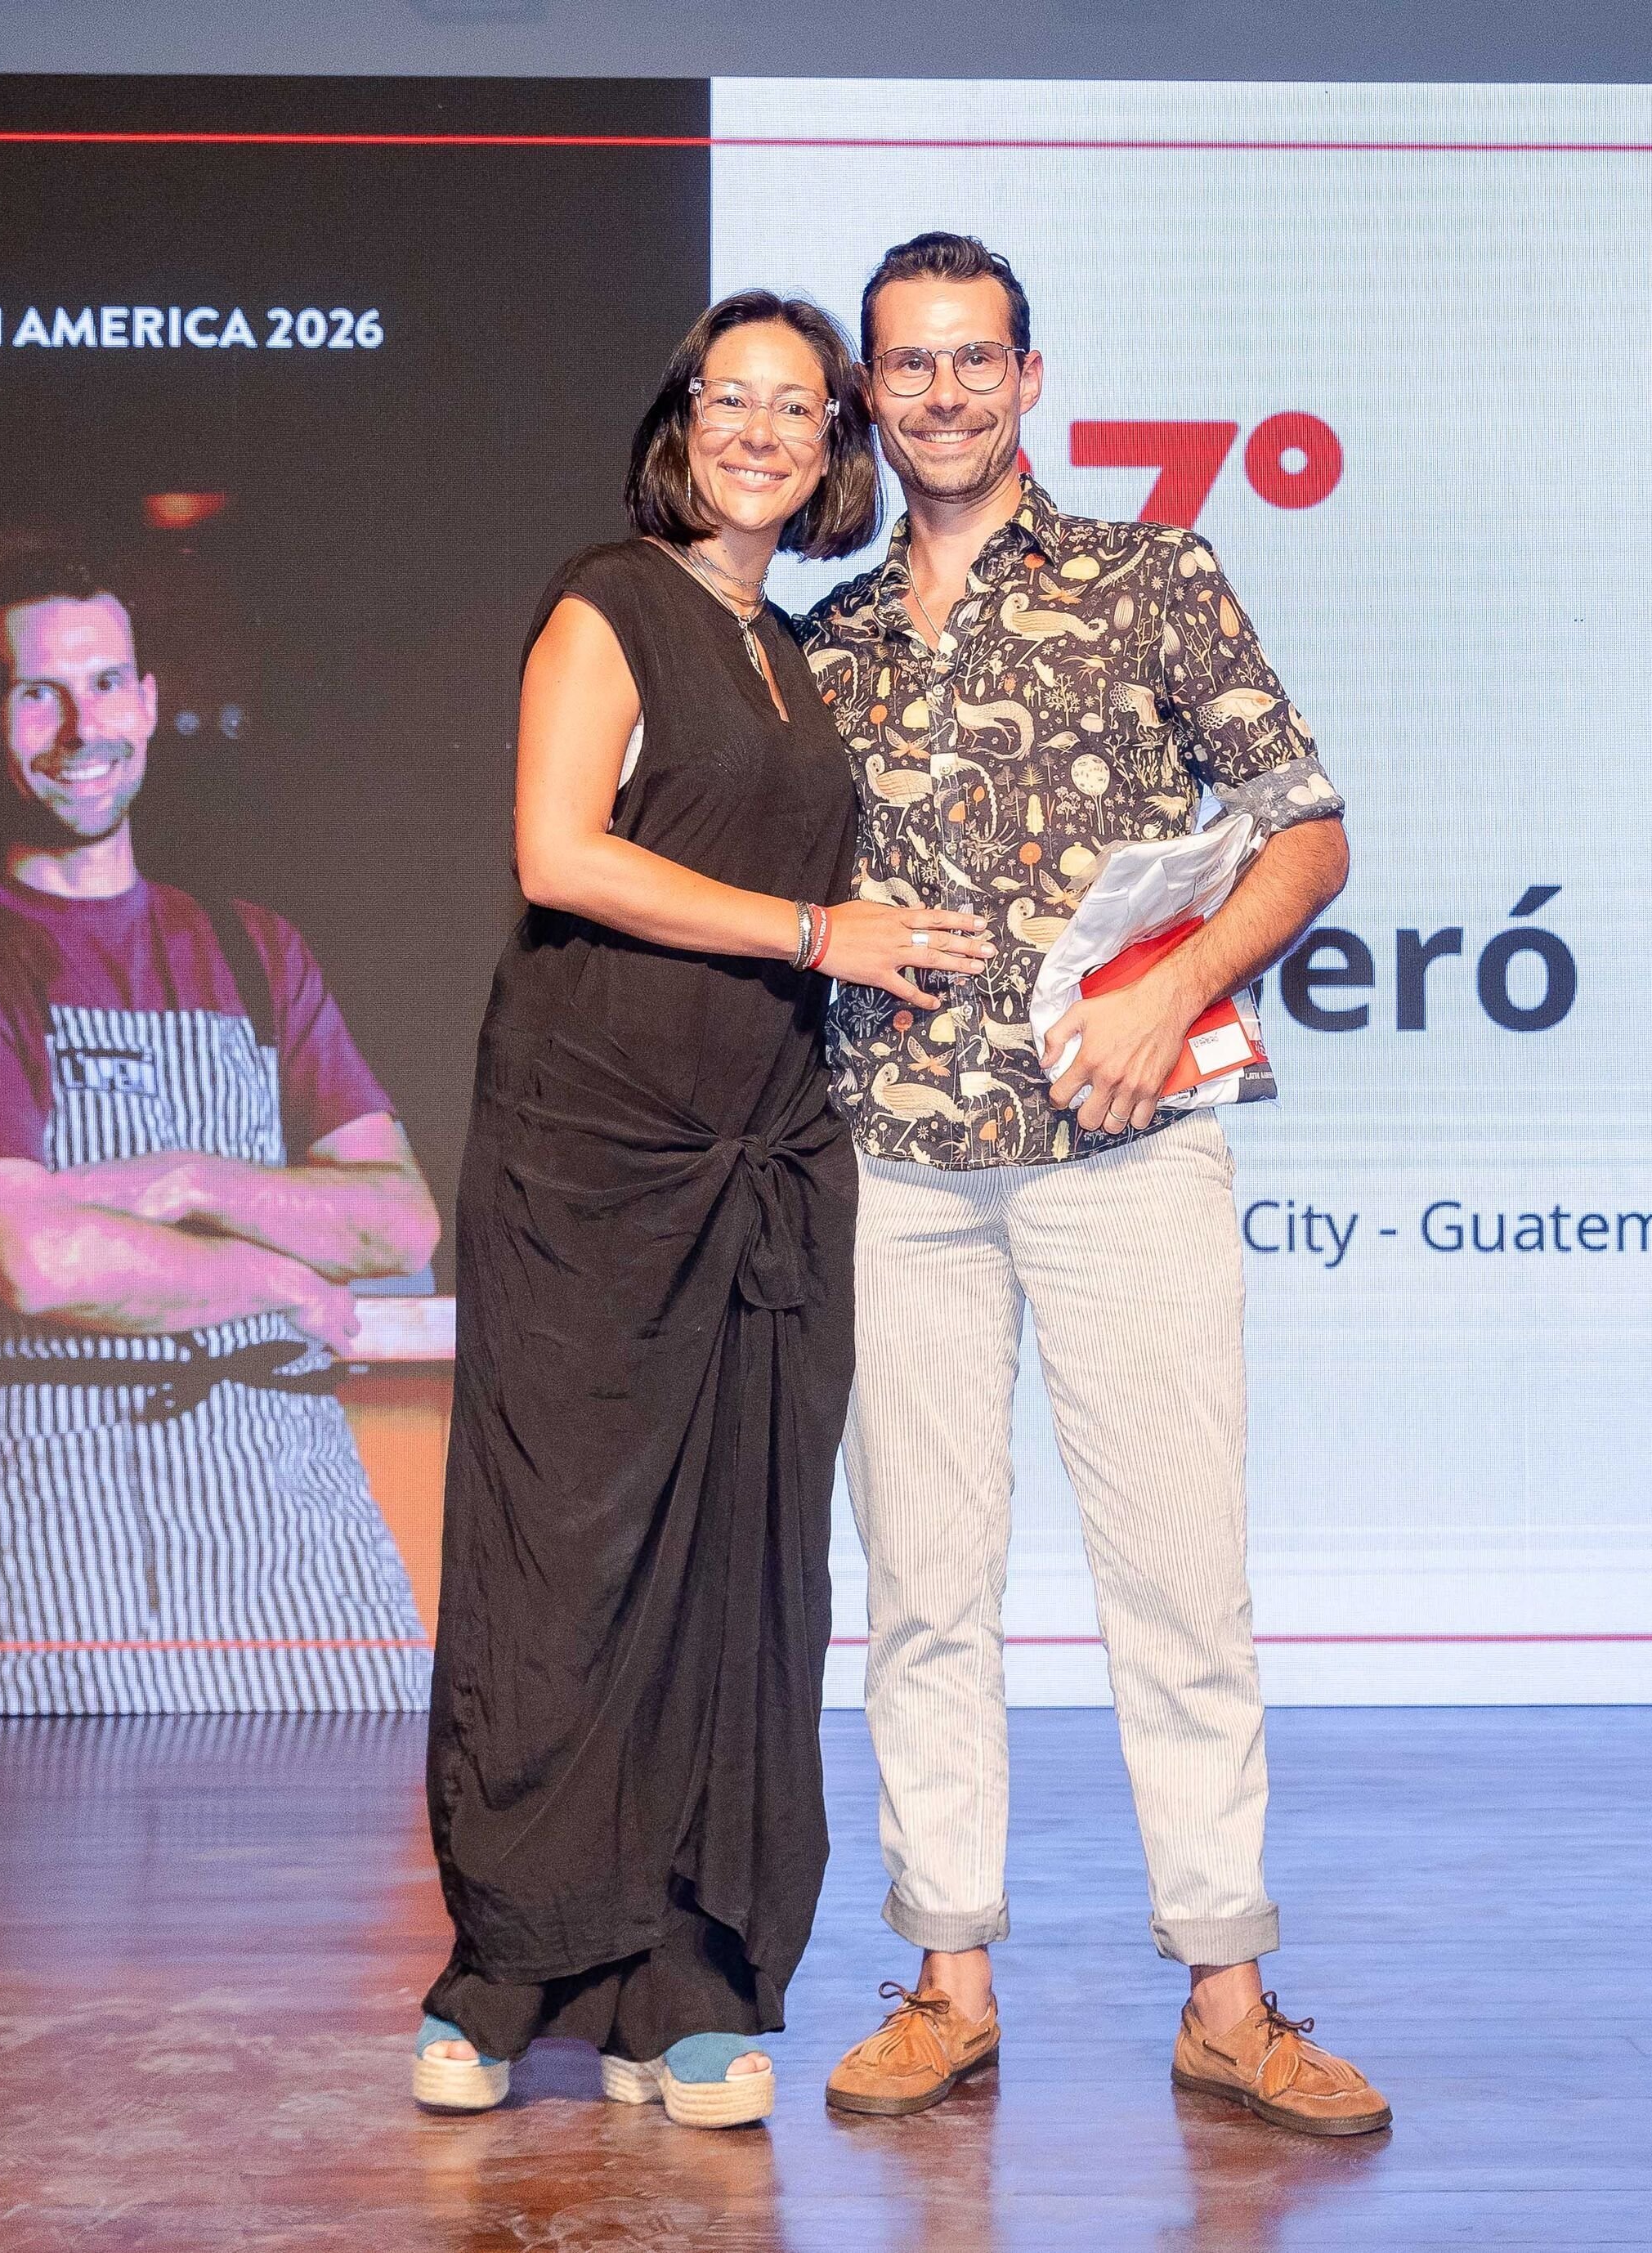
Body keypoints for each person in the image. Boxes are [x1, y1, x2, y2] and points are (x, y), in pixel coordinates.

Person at [799, 233, 1389, 2136]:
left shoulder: (1151, 576)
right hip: (892, 1159)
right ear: (867, 397)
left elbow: (1303, 832)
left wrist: (1185, 990)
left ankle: (1224, 1987)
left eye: (977, 359)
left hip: (1122, 1149)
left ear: (1031, 379)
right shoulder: (823, 644)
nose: (945, 393)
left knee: (1176, 1579)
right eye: (908, 364)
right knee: (920, 1588)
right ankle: (945, 1972)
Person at [413, 291, 993, 2130]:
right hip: (592, 1140)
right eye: (729, 396)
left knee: (743, 1574)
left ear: (835, 443)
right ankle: (508, 1971)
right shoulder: (611, 597)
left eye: (799, 405)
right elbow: (559, 853)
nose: (763, 428)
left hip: (765, 1148)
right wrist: (827, 937)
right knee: (561, 1555)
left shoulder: (799, 648)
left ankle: (692, 1980)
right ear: (680, 420)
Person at [0, 551, 440, 1715]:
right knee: (61, 1870)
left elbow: (397, 1220)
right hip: (63, 1498)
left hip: (294, 1508)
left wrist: (183, 1177)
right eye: (38, 691)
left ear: (148, 701)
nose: (81, 726)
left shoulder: (251, 947)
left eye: (107, 684)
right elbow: (35, 1259)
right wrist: (276, 1276)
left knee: (335, 1870)